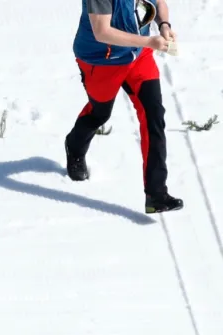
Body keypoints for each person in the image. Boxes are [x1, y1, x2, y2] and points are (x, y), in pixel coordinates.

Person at [65, 0, 184, 214]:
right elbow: (102, 31)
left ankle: (156, 194)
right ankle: (74, 146)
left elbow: (159, 3)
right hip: (101, 61)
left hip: (139, 57)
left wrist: (164, 24)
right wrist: (149, 41)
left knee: (153, 115)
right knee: (99, 114)